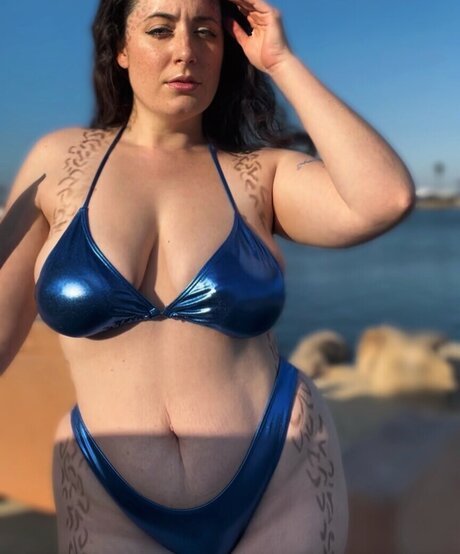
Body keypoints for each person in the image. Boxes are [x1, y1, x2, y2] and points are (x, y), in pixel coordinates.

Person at [0, 0, 415, 552]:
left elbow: (384, 199)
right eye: (159, 30)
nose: (186, 51)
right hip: (103, 487)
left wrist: (282, 61)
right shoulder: (60, 162)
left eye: (206, 32)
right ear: (120, 49)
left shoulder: (257, 172)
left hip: (282, 463)